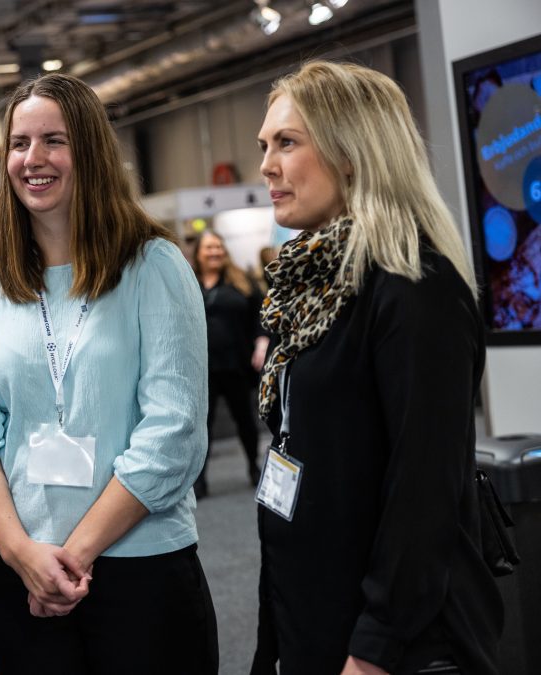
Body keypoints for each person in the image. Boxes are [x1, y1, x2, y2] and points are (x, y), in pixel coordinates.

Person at [0, 72, 218, 674]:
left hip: (139, 566)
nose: (32, 159)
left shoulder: (153, 266)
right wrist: (23, 556)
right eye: (19, 143)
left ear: (89, 151)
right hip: (20, 574)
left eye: (54, 141)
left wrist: (73, 555)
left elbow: (173, 433)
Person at [251, 61, 502, 675]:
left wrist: (374, 649)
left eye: (287, 142)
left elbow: (424, 490)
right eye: (264, 145)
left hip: (395, 645)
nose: (266, 165)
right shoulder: (314, 287)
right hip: (315, 616)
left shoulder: (416, 287)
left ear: (353, 153)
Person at [191, 230, 267, 497]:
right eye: (209, 247)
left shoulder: (241, 282)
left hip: (236, 363)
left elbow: (262, 314)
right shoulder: (188, 282)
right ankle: (199, 479)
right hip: (202, 368)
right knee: (203, 426)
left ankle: (253, 466)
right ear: (198, 253)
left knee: (245, 420)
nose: (215, 252)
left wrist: (261, 342)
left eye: (219, 247)